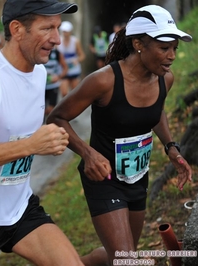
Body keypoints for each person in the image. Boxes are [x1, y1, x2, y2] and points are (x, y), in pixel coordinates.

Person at [47, 5, 193, 265]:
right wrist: (87, 153)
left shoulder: (164, 79)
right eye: (163, 48)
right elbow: (57, 118)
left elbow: (156, 111)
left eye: (174, 48)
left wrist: (170, 147)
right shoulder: (104, 81)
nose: (171, 56)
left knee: (124, 255)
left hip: (137, 176)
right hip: (104, 178)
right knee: (126, 259)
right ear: (138, 44)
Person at [0, 0, 83, 265]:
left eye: (57, 28)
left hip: (19, 207)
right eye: (47, 28)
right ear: (17, 29)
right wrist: (30, 145)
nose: (56, 39)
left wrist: (47, 141)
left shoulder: (40, 73)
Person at [57, 21, 85, 97]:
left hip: (73, 69)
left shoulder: (75, 41)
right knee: (64, 93)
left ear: (70, 32)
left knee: (75, 94)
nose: (64, 33)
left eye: (66, 31)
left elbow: (82, 55)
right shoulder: (58, 41)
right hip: (63, 70)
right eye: (63, 31)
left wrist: (77, 60)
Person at [43, 46, 68, 116]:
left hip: (53, 86)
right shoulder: (39, 52)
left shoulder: (57, 53)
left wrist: (58, 77)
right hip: (41, 86)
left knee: (51, 109)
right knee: (41, 110)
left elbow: (65, 68)